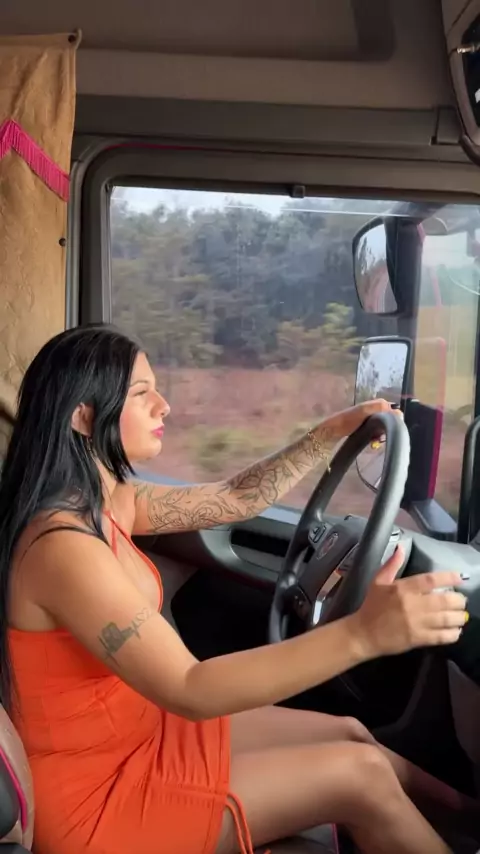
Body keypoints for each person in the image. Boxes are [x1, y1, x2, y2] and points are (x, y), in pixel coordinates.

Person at [0, 324, 470, 854]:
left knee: (353, 734)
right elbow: (190, 686)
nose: (164, 405)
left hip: (144, 731)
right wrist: (364, 634)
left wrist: (330, 432)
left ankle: (471, 822)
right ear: (83, 416)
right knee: (360, 775)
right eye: (141, 393)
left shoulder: (110, 502)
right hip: (97, 796)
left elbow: (235, 497)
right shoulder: (60, 546)